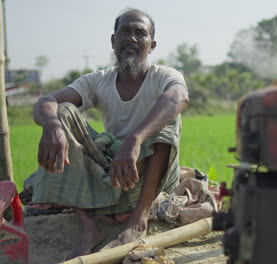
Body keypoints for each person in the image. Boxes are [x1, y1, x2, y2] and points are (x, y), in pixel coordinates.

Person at [32, 8, 189, 257]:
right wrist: (52, 126)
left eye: (140, 33)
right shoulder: (98, 81)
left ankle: (138, 220)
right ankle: (87, 225)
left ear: (152, 45)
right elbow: (46, 101)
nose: (132, 38)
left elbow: (179, 98)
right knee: (61, 112)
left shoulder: (164, 76)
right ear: (113, 40)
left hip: (148, 176)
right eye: (125, 31)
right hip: (115, 171)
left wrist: (135, 140)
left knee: (169, 116)